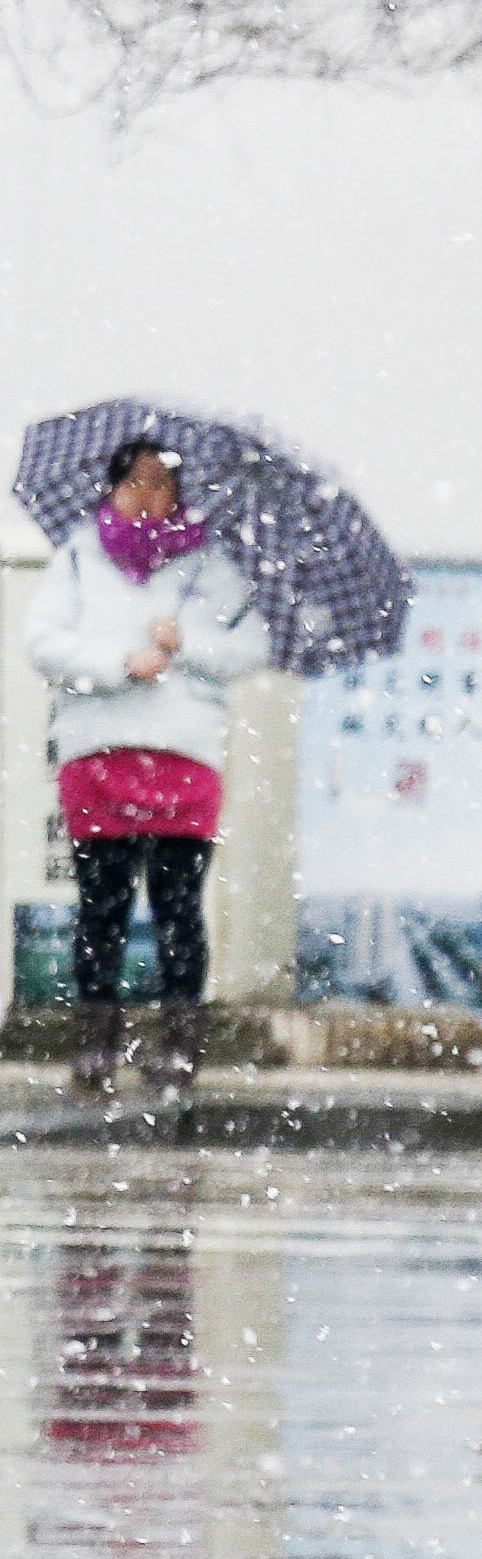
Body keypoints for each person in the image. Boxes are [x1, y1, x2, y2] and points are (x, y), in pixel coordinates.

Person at [28, 436, 268, 1099]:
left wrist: (186, 644)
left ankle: (180, 1049)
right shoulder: (78, 558)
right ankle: (97, 1048)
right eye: (134, 483)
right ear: (110, 488)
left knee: (177, 907)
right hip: (97, 754)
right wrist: (114, 665)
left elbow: (253, 648)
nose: (147, 497)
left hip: (183, 757)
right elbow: (42, 641)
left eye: (162, 484)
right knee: (100, 907)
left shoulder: (213, 564)